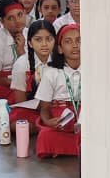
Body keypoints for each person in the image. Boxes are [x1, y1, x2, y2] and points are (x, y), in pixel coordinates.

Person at [34, 23, 81, 158]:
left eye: (79, 40)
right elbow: (44, 108)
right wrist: (48, 121)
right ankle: (80, 147)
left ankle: (69, 147)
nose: (75, 45)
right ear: (60, 49)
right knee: (45, 136)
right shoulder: (51, 73)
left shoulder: (94, 69)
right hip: (63, 120)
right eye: (68, 42)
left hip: (86, 118)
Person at [9, 20, 55, 127]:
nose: (44, 44)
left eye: (49, 39)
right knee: (19, 124)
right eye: (38, 39)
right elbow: (21, 101)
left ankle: (45, 126)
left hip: (55, 106)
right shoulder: (21, 64)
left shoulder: (60, 62)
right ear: (30, 43)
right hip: (32, 109)